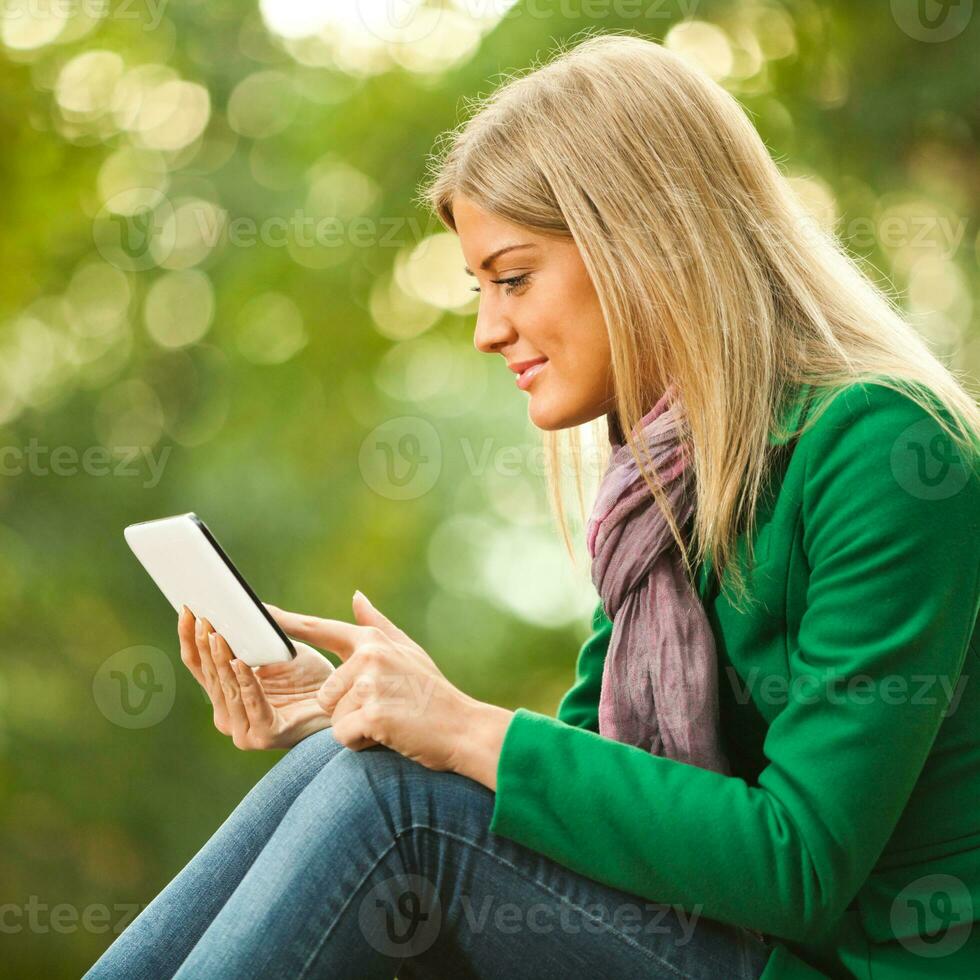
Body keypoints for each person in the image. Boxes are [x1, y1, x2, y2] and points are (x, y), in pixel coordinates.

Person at [85, 31, 980, 980]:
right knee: (354, 769)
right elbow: (596, 789)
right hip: (721, 945)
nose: (486, 329)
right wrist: (351, 708)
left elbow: (798, 863)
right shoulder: (661, 480)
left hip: (838, 964)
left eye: (512, 278)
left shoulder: (884, 448)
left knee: (399, 800)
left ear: (648, 246)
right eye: (480, 287)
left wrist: (460, 726)